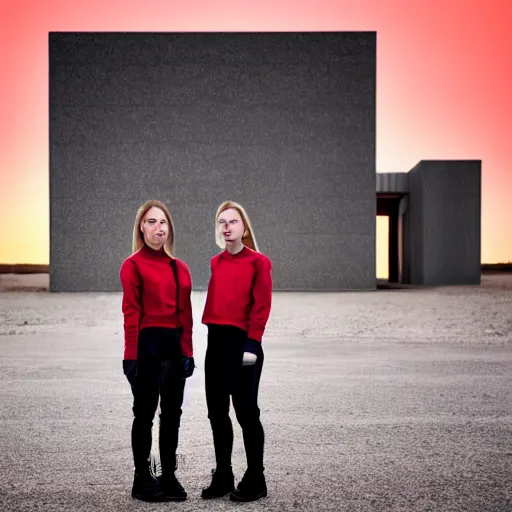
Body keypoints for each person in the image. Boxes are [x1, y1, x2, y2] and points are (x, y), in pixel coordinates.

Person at [120, 199, 195, 502]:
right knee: (144, 415)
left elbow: (185, 315)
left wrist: (187, 352)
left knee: (172, 416)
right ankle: (141, 479)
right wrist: (130, 357)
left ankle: (168, 476)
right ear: (142, 227)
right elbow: (131, 313)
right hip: (146, 349)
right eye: (151, 222)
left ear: (169, 228)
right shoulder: (132, 265)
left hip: (174, 348)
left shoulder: (180, 268)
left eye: (163, 222)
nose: (158, 228)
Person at [201, 200, 272, 502]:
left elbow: (261, 305)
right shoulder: (216, 262)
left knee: (245, 413)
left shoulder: (259, 262)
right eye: (222, 222)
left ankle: (256, 477)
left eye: (232, 221)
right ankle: (224, 475)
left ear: (244, 228)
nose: (227, 227)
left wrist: (253, 344)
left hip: (242, 344)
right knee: (217, 413)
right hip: (215, 342)